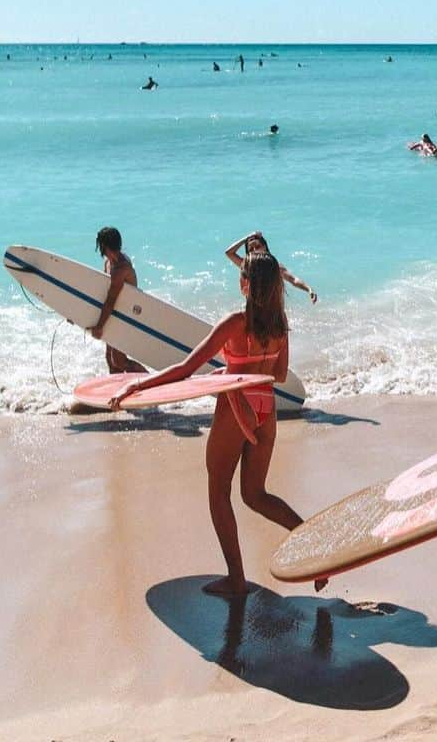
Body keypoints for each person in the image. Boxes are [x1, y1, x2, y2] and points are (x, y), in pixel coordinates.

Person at [109, 251, 326, 598]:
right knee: (256, 495)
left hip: (234, 409)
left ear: (245, 285)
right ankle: (314, 544)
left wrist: (137, 384)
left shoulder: (233, 323)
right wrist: (237, 370)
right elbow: (279, 375)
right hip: (264, 412)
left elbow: (185, 368)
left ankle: (237, 579)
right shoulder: (279, 326)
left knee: (219, 492)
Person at [90, 228, 148, 374]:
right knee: (110, 359)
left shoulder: (121, 268)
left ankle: (148, 381)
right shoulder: (109, 263)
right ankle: (117, 393)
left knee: (119, 360)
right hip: (115, 313)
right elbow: (102, 292)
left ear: (105, 246)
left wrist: (99, 326)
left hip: (126, 315)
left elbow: (111, 299)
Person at [225, 233, 317, 303]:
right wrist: (246, 238)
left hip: (273, 310)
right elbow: (229, 253)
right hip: (252, 308)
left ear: (265, 247)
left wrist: (309, 289)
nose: (254, 250)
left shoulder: (274, 266)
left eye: (257, 246)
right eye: (251, 249)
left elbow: (293, 279)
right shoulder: (246, 266)